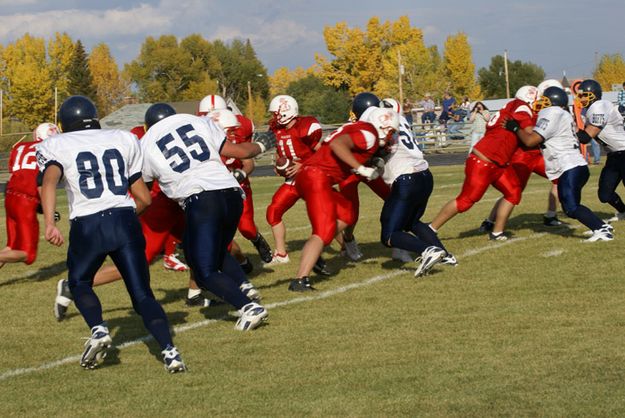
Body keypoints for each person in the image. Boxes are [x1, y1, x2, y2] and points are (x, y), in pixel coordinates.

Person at [37, 95, 186, 372]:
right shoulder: (122, 138)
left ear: (65, 123)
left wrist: (49, 223)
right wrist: (126, 216)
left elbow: (49, 182)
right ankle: (170, 351)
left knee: (79, 283)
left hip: (88, 223)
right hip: (124, 219)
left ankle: (98, 329)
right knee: (143, 296)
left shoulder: (54, 144)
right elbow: (144, 198)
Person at [140, 103, 269, 330]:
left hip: (201, 200)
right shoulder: (197, 122)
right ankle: (244, 285)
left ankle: (248, 307)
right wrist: (260, 145)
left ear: (148, 125)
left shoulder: (147, 142)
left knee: (203, 271)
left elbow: (145, 189)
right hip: (232, 194)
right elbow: (238, 152)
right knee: (209, 251)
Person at [287, 106, 399, 291]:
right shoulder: (369, 134)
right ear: (383, 126)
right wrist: (361, 168)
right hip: (316, 177)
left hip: (315, 176)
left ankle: (315, 253)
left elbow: (337, 150)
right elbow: (337, 145)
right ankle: (300, 280)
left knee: (347, 214)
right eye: (391, 132)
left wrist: (369, 162)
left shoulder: (361, 129)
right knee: (322, 231)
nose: (391, 137)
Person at [429, 86, 539, 241]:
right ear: (530, 98)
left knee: (514, 192)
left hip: (499, 163)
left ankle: (497, 232)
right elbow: (529, 133)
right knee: (466, 201)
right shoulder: (521, 107)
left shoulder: (509, 106)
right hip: (484, 161)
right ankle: (430, 228)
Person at [507, 86, 613, 241]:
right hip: (575, 165)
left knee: (571, 207)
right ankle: (601, 225)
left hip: (568, 166)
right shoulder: (562, 114)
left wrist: (515, 127)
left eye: (545, 100)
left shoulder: (551, 113)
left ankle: (601, 229)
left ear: (553, 102)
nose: (541, 103)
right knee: (569, 206)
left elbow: (530, 141)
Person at [379, 98, 454, 276]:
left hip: (406, 178)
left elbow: (380, 149)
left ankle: (428, 250)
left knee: (388, 234)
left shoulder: (383, 123)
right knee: (411, 222)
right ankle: (445, 255)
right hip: (425, 174)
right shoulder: (402, 120)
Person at [478, 79, 564, 233]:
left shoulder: (548, 111)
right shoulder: (526, 109)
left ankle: (551, 215)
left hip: (538, 155)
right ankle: (490, 221)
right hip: (522, 156)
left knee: (561, 178)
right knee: (513, 191)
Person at [197, 94, 273, 264]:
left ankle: (256, 239)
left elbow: (248, 163)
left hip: (238, 186)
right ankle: (241, 262)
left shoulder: (235, 130)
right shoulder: (196, 136)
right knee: (220, 234)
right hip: (212, 190)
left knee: (246, 227)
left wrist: (240, 175)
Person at [264, 95, 323, 265]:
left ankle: (346, 245)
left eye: (276, 113)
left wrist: (302, 165)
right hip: (292, 180)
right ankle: (281, 254)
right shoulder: (276, 129)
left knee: (323, 215)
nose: (274, 117)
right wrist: (278, 164)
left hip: (311, 177)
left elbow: (322, 153)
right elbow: (279, 150)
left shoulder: (304, 127)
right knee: (273, 212)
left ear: (285, 112)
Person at [0, 123, 59, 270]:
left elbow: (16, 171)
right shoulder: (49, 150)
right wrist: (49, 216)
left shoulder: (20, 147)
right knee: (27, 254)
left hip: (10, 196)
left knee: (11, 248)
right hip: (26, 201)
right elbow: (43, 183)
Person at [576, 79, 625, 223]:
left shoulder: (599, 106)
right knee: (605, 194)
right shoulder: (587, 110)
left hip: (624, 151)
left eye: (584, 95)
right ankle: (623, 211)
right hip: (613, 155)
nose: (582, 98)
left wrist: (567, 130)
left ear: (594, 95)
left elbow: (585, 137)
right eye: (581, 96)